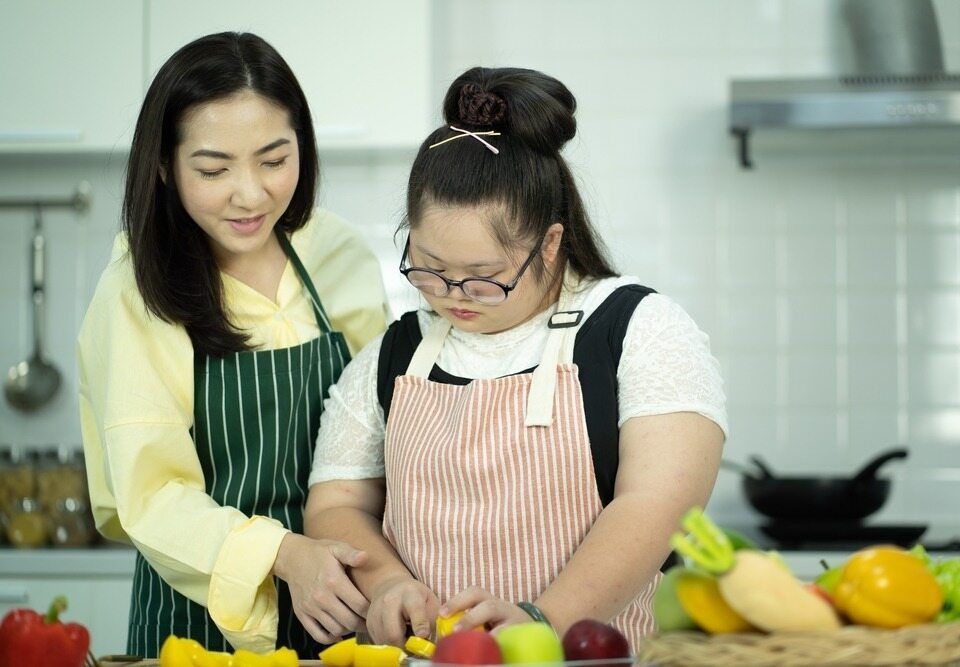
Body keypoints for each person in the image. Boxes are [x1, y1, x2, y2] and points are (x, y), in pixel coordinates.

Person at [304, 66, 727, 650]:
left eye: (483, 277)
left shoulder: (636, 329)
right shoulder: (396, 354)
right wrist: (386, 585)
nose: (453, 296)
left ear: (550, 243)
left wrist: (541, 621)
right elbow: (336, 504)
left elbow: (658, 505)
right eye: (429, 267)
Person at [77, 32, 389, 658]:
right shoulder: (136, 290)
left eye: (274, 160)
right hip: (200, 623)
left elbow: (387, 431)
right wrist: (286, 554)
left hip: (348, 608)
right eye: (214, 170)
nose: (250, 195)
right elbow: (152, 499)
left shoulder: (336, 254)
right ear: (164, 166)